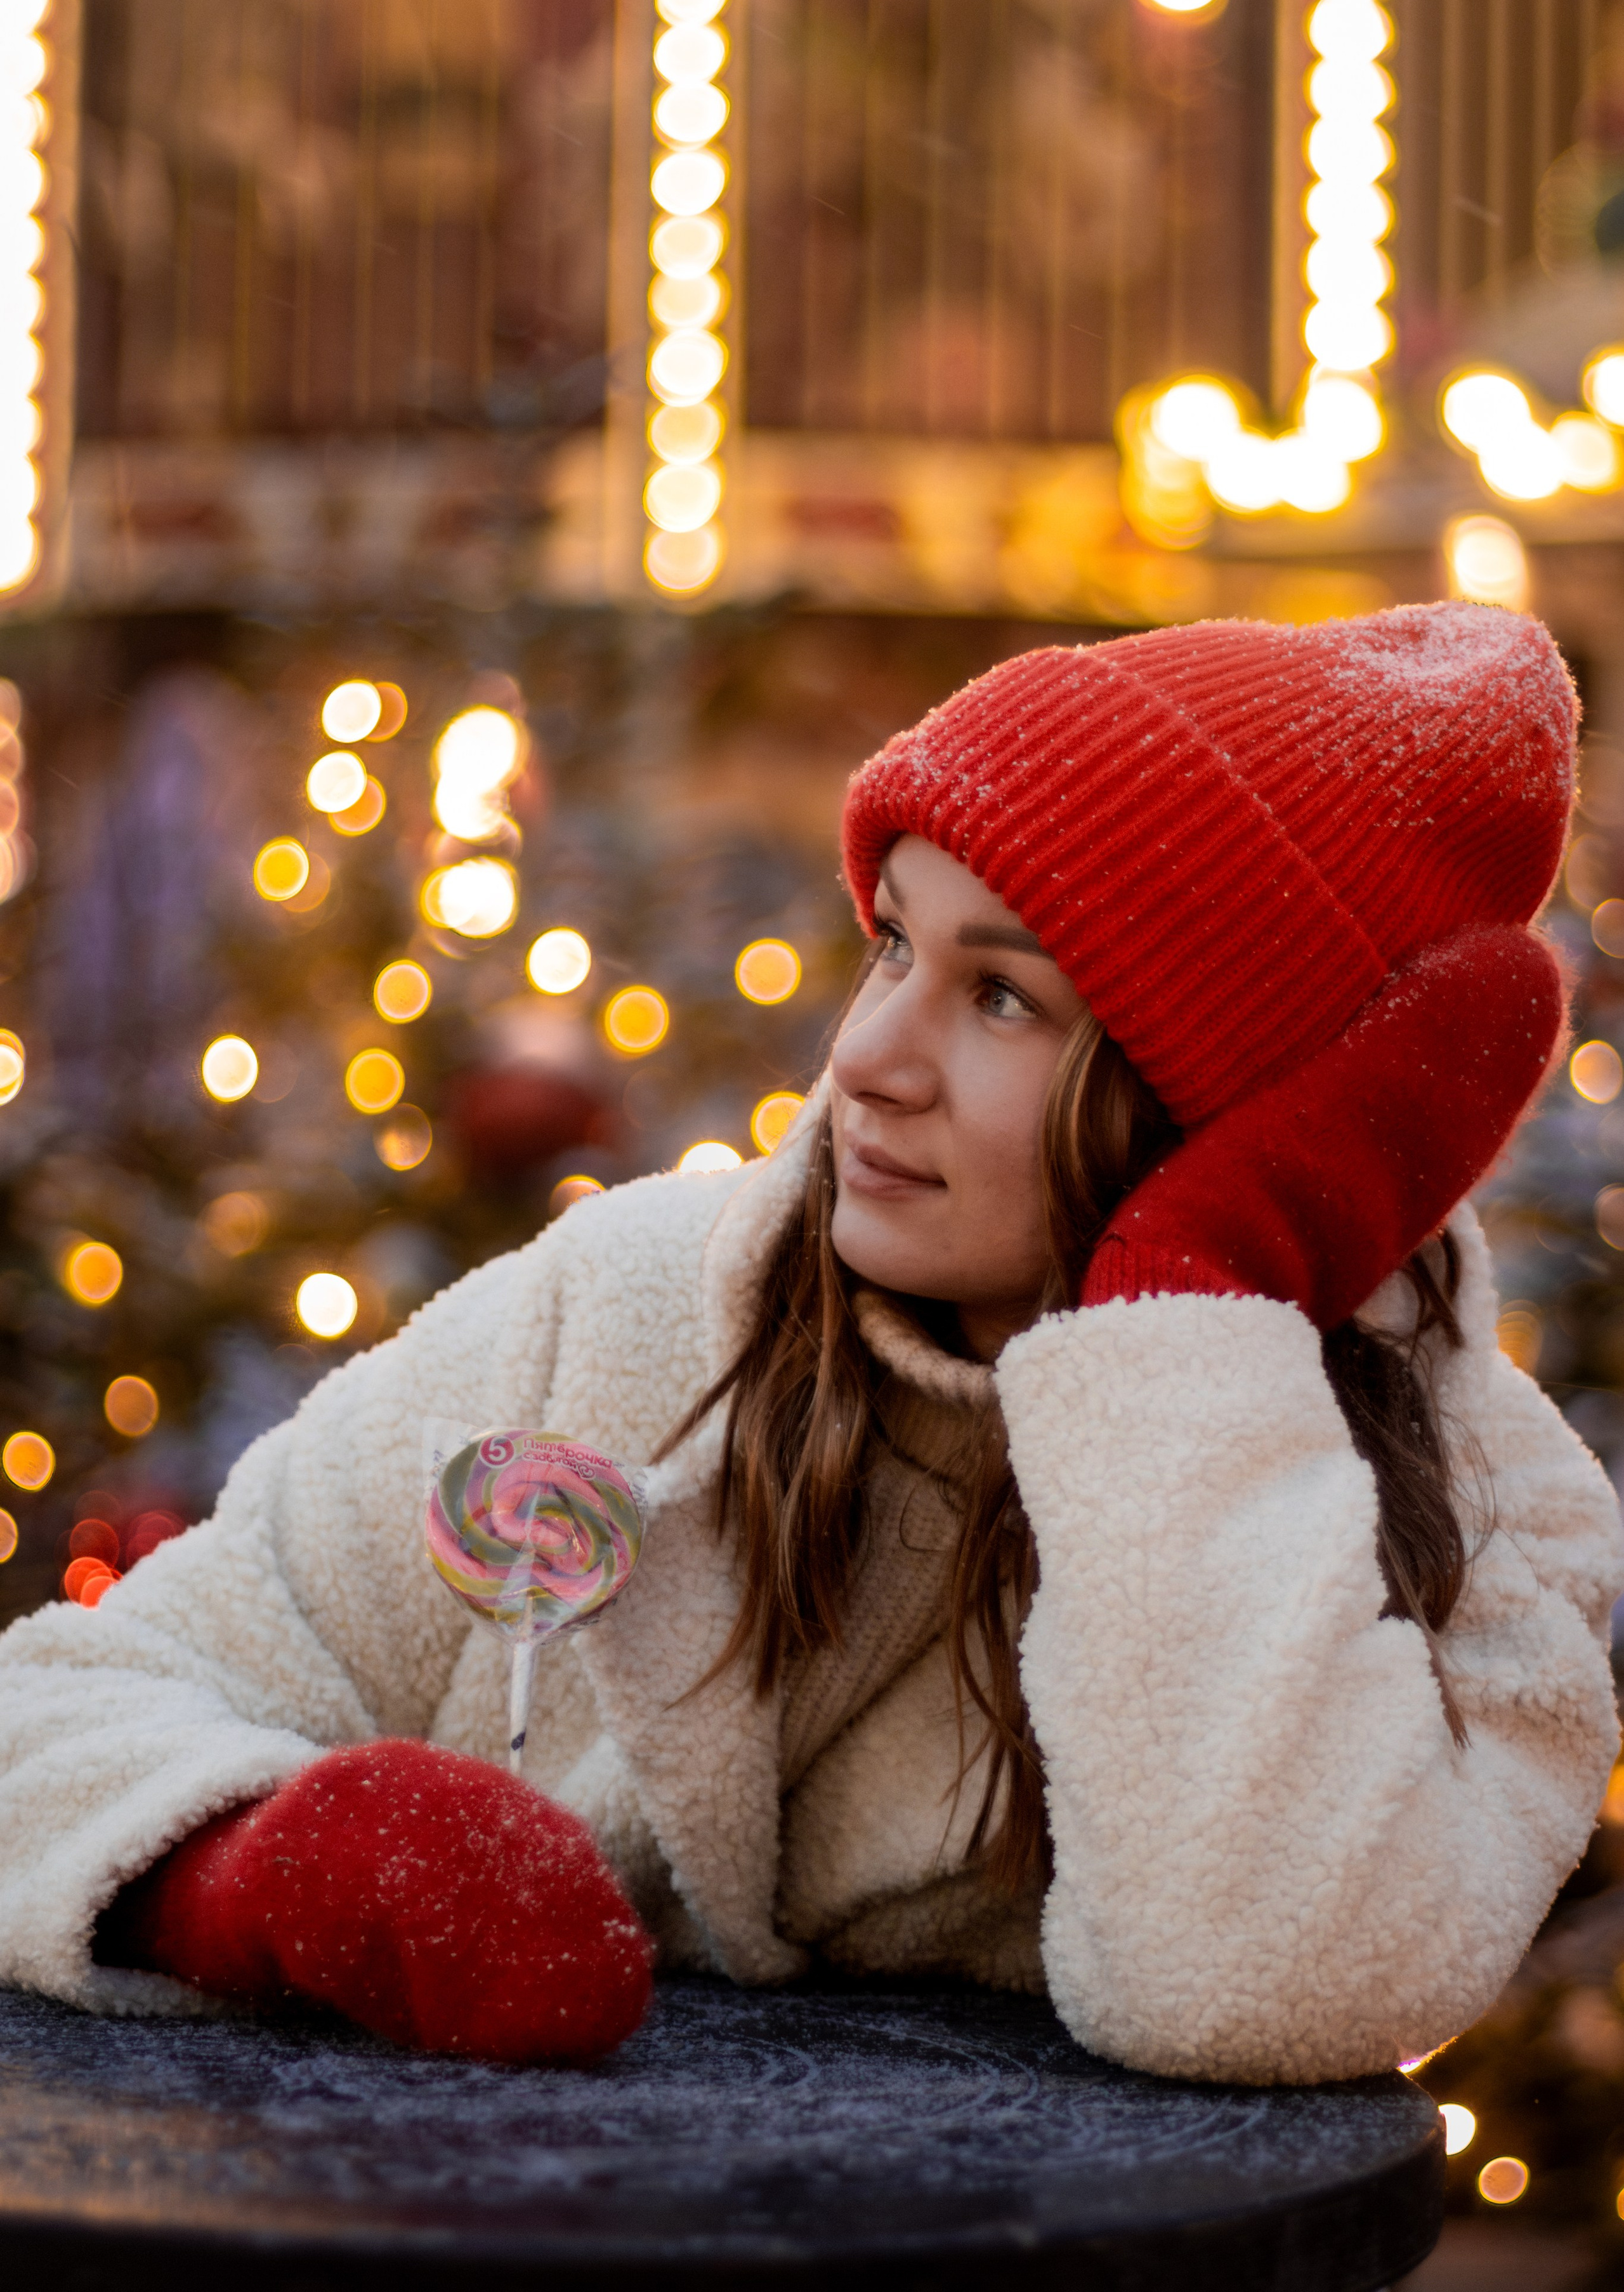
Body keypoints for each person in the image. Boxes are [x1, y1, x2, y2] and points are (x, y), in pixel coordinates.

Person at [1, 601, 1620, 2084]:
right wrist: (260, 1868)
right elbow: (63, 1710)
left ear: (1240, 1117)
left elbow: (1253, 1985)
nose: (867, 1060)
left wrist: (1182, 1308)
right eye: (893, 944)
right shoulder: (626, 1309)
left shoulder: (1483, 1521)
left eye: (1004, 1000)